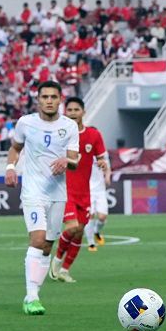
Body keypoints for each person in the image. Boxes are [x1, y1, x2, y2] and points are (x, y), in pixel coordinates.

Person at [4, 81, 79, 315]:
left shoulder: (69, 127)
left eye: (53, 97)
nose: (49, 100)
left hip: (57, 194)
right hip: (33, 192)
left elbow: (75, 160)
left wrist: (67, 161)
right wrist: (10, 167)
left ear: (60, 100)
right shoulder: (26, 123)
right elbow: (15, 148)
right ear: (38, 99)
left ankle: (35, 291)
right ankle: (31, 296)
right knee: (37, 240)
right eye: (44, 96)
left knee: (47, 245)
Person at [51, 97, 107, 283]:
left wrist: (101, 162)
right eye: (70, 109)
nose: (73, 112)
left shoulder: (93, 135)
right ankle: (57, 261)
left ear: (83, 112)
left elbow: (101, 157)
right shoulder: (59, 136)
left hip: (85, 192)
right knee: (72, 227)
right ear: (65, 113)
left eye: (76, 109)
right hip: (65, 190)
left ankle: (65, 270)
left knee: (80, 231)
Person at [84, 146, 111, 251]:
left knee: (102, 217)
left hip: (100, 190)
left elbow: (108, 168)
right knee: (90, 215)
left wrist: (107, 177)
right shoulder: (84, 152)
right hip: (87, 189)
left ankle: (96, 231)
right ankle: (91, 243)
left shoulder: (103, 154)